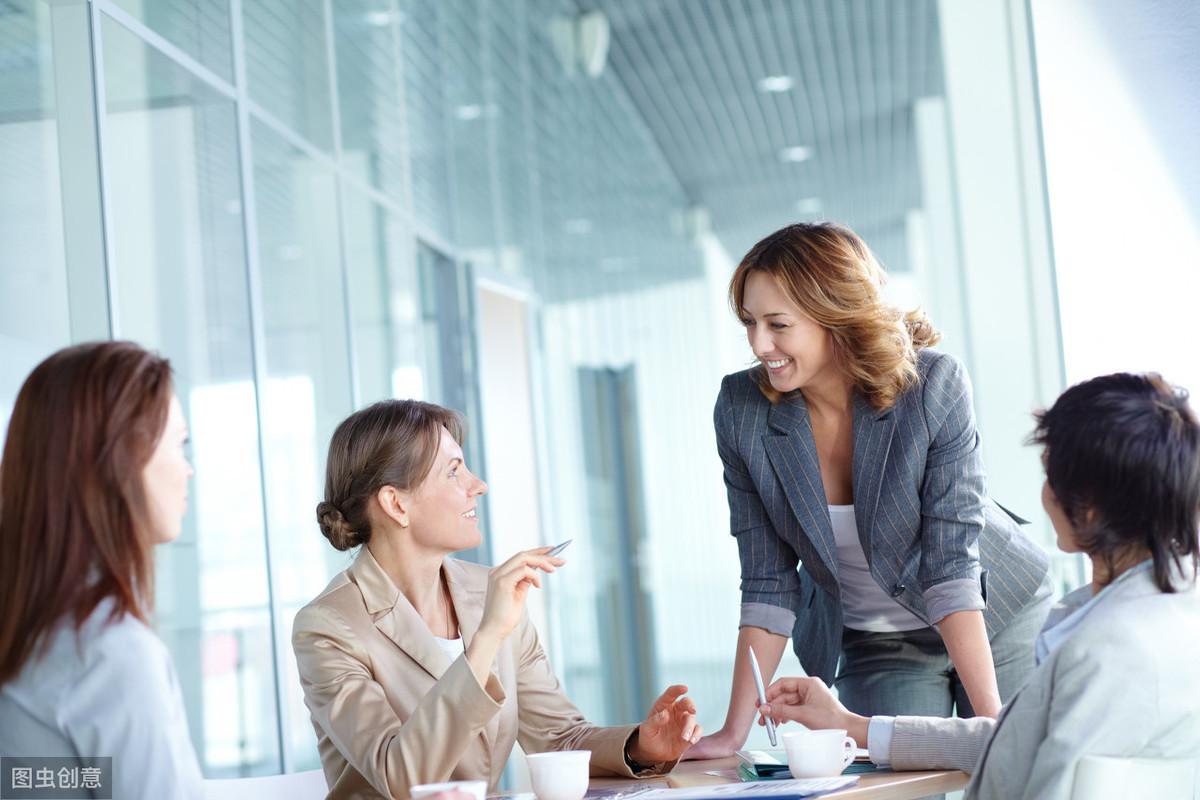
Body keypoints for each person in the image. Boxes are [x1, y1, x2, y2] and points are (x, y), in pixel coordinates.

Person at [690, 223, 1052, 759]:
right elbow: (767, 580)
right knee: (893, 791)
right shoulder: (742, 410)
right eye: (749, 322)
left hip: (996, 614)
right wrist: (731, 734)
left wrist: (994, 730)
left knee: (1019, 773)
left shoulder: (932, 386)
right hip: (879, 641)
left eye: (778, 324)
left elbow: (951, 565)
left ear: (834, 316)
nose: (758, 344)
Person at [758, 371, 1200, 799]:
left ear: (1086, 510)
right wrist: (853, 725)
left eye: (1050, 475)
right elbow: (1013, 739)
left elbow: (1042, 777)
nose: (1044, 493)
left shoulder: (1106, 651)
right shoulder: (1165, 617)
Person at [292, 399, 701, 799]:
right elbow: (402, 778)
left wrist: (641, 747)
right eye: (454, 472)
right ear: (396, 504)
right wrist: (486, 637)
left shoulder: (487, 591)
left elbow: (558, 737)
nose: (478, 485)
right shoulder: (328, 627)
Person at [0, 342, 203, 798]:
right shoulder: (110, 655)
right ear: (122, 462)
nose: (188, 468)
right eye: (179, 442)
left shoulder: (32, 635)